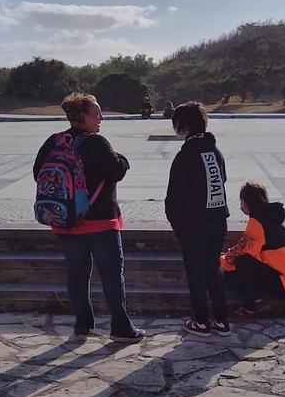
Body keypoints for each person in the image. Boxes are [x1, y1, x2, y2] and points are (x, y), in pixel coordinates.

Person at [33, 93, 144, 343]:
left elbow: (37, 173)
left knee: (77, 273)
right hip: (101, 221)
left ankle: (82, 325)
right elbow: (117, 170)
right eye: (96, 113)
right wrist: (123, 159)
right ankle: (121, 327)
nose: (101, 118)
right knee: (112, 273)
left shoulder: (54, 141)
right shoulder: (97, 143)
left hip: (65, 221)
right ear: (81, 116)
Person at [165, 101, 231, 336]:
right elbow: (220, 183)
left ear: (183, 126)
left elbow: (173, 198)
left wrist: (178, 226)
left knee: (196, 273)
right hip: (217, 221)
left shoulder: (186, 156)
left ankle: (201, 321)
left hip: (194, 226)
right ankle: (221, 320)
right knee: (212, 271)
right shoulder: (215, 152)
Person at [221, 182, 285, 317]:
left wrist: (224, 261)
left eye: (241, 201)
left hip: (283, 283)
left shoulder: (257, 221)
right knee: (233, 269)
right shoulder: (270, 218)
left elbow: (244, 250)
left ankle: (250, 309)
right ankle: (256, 300)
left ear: (246, 202)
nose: (240, 206)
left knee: (241, 262)